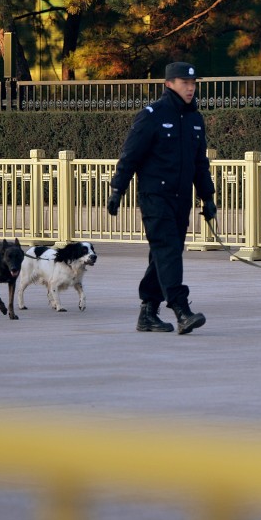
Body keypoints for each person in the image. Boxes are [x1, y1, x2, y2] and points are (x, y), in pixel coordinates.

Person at [107, 62, 216, 334]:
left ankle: (147, 313)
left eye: (193, 83)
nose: (190, 88)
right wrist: (117, 190)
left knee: (164, 254)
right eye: (184, 83)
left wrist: (208, 197)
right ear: (168, 84)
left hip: (181, 200)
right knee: (168, 250)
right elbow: (130, 155)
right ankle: (181, 310)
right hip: (155, 196)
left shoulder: (194, 119)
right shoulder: (152, 115)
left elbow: (199, 163)